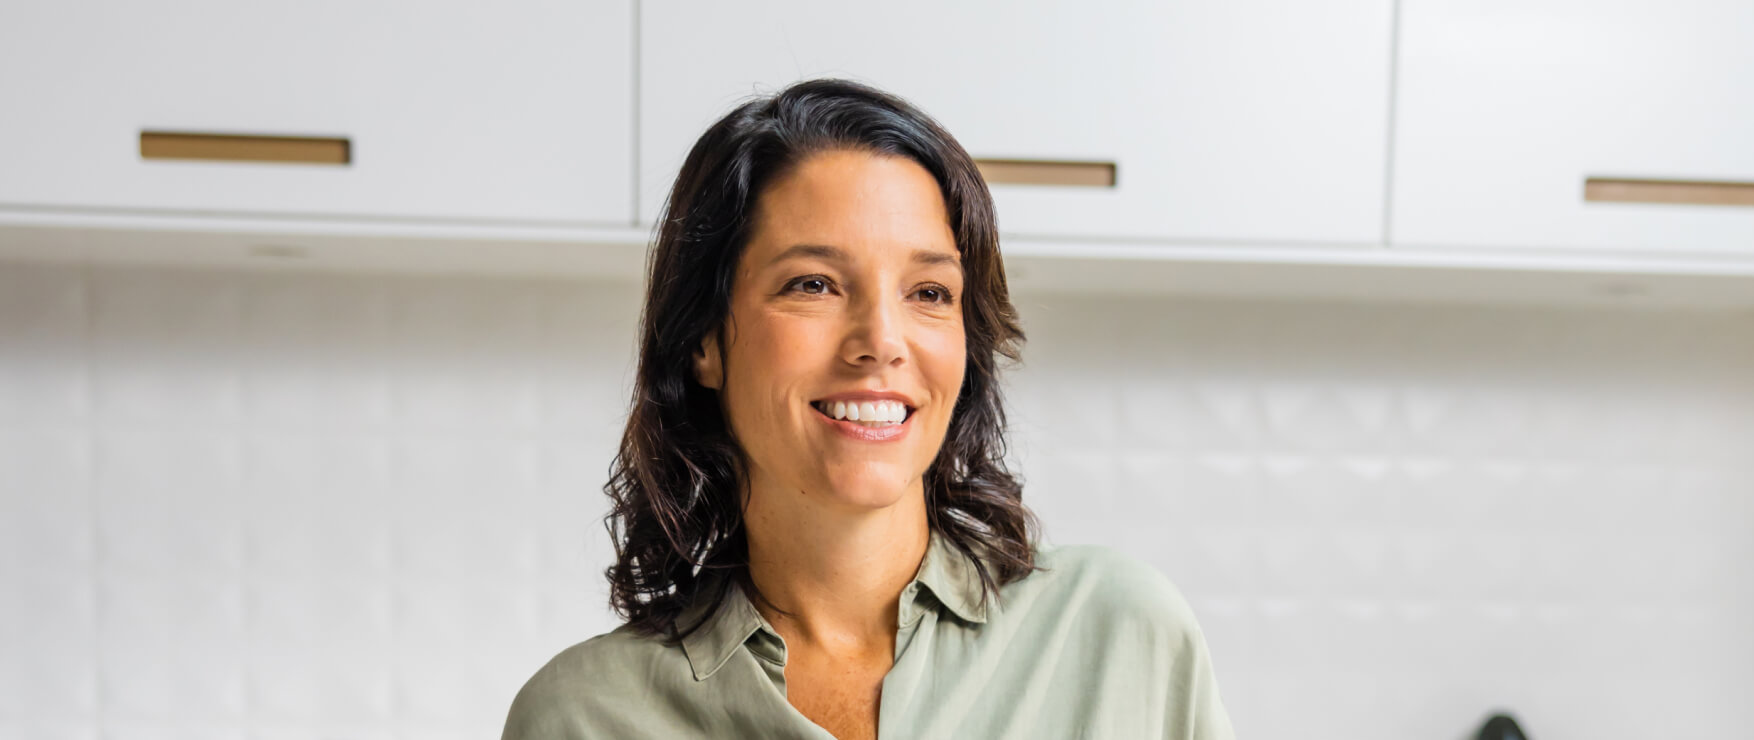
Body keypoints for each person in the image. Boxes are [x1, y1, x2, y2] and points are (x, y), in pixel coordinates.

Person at [500, 78, 1233, 740]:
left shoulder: (1118, 634)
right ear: (704, 341)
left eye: (929, 293)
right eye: (813, 284)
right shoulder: (583, 717)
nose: (881, 342)